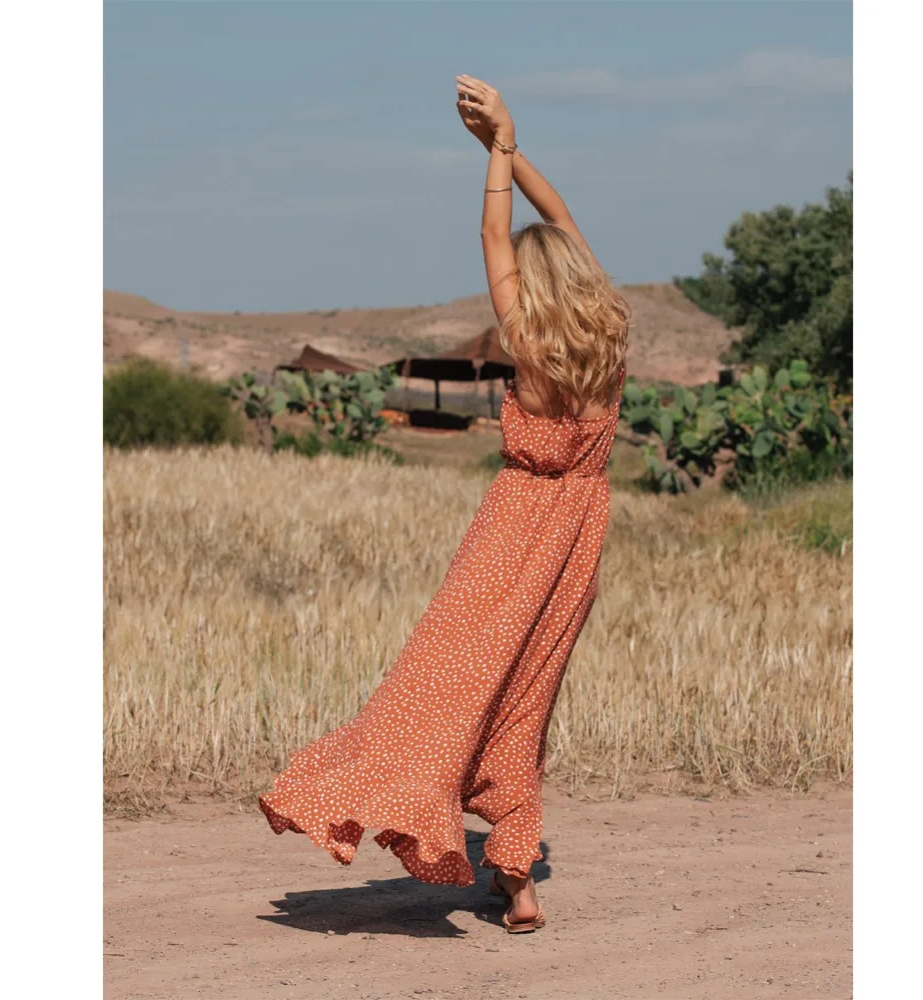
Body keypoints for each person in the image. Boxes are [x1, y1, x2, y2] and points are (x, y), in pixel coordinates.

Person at [259, 75, 630, 935]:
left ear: (529, 288)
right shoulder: (609, 330)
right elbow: (561, 219)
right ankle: (516, 880)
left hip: (513, 530)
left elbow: (494, 233)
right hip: (577, 537)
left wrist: (498, 150)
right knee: (522, 703)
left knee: (440, 685)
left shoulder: (528, 338)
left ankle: (389, 797)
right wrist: (507, 145)